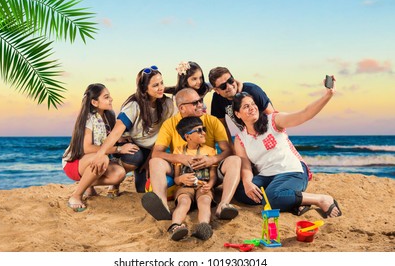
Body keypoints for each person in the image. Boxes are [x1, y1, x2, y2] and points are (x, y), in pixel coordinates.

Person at [232, 81, 342, 218]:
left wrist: (328, 95)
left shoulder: (273, 120)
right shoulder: (240, 138)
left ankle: (321, 199)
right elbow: (246, 166)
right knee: (241, 191)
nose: (252, 108)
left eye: (253, 104)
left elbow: (304, 114)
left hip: (291, 171)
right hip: (267, 176)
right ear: (237, 114)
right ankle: (291, 200)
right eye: (246, 106)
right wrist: (248, 183)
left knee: (272, 198)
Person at [141, 87, 241, 221]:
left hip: (209, 172)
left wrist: (212, 160)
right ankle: (162, 205)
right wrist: (179, 158)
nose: (201, 105)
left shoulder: (212, 121)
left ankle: (223, 205)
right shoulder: (169, 124)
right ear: (182, 108)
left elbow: (227, 150)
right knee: (155, 162)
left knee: (235, 160)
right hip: (182, 171)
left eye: (200, 101)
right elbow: (156, 153)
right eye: (195, 103)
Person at [89, 66, 174, 195]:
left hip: (152, 150)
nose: (161, 87)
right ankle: (114, 183)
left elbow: (164, 134)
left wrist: (151, 158)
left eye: (162, 83)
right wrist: (101, 153)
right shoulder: (134, 105)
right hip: (132, 147)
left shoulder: (166, 104)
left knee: (142, 190)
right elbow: (116, 132)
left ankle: (141, 167)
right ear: (145, 89)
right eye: (155, 85)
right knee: (135, 157)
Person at [62, 83, 127, 212]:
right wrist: (117, 149)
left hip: (90, 161)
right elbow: (87, 148)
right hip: (74, 164)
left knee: (120, 174)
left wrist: (123, 140)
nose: (111, 99)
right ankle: (76, 195)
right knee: (102, 158)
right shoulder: (88, 118)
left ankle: (89, 187)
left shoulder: (108, 117)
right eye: (106, 97)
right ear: (95, 102)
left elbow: (107, 138)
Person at [168, 116, 217, 241]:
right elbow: (176, 178)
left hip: (203, 186)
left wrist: (210, 184)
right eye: (199, 130)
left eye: (203, 129)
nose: (204, 133)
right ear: (188, 136)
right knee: (184, 202)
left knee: (205, 201)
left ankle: (204, 226)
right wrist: (181, 179)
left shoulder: (210, 151)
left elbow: (213, 174)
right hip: (185, 187)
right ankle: (175, 226)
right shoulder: (179, 151)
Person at [208, 66, 275, 141]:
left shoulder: (252, 90)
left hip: (269, 135)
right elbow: (222, 128)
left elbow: (273, 116)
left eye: (230, 81)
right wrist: (231, 149)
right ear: (216, 90)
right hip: (250, 140)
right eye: (223, 86)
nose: (229, 87)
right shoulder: (217, 99)